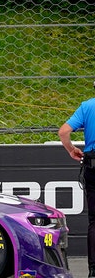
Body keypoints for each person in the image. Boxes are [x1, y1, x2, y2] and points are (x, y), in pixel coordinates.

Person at [58, 96, 95, 278]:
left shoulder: (88, 106)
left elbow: (64, 132)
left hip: (92, 165)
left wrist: (71, 149)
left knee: (94, 221)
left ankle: (93, 271)